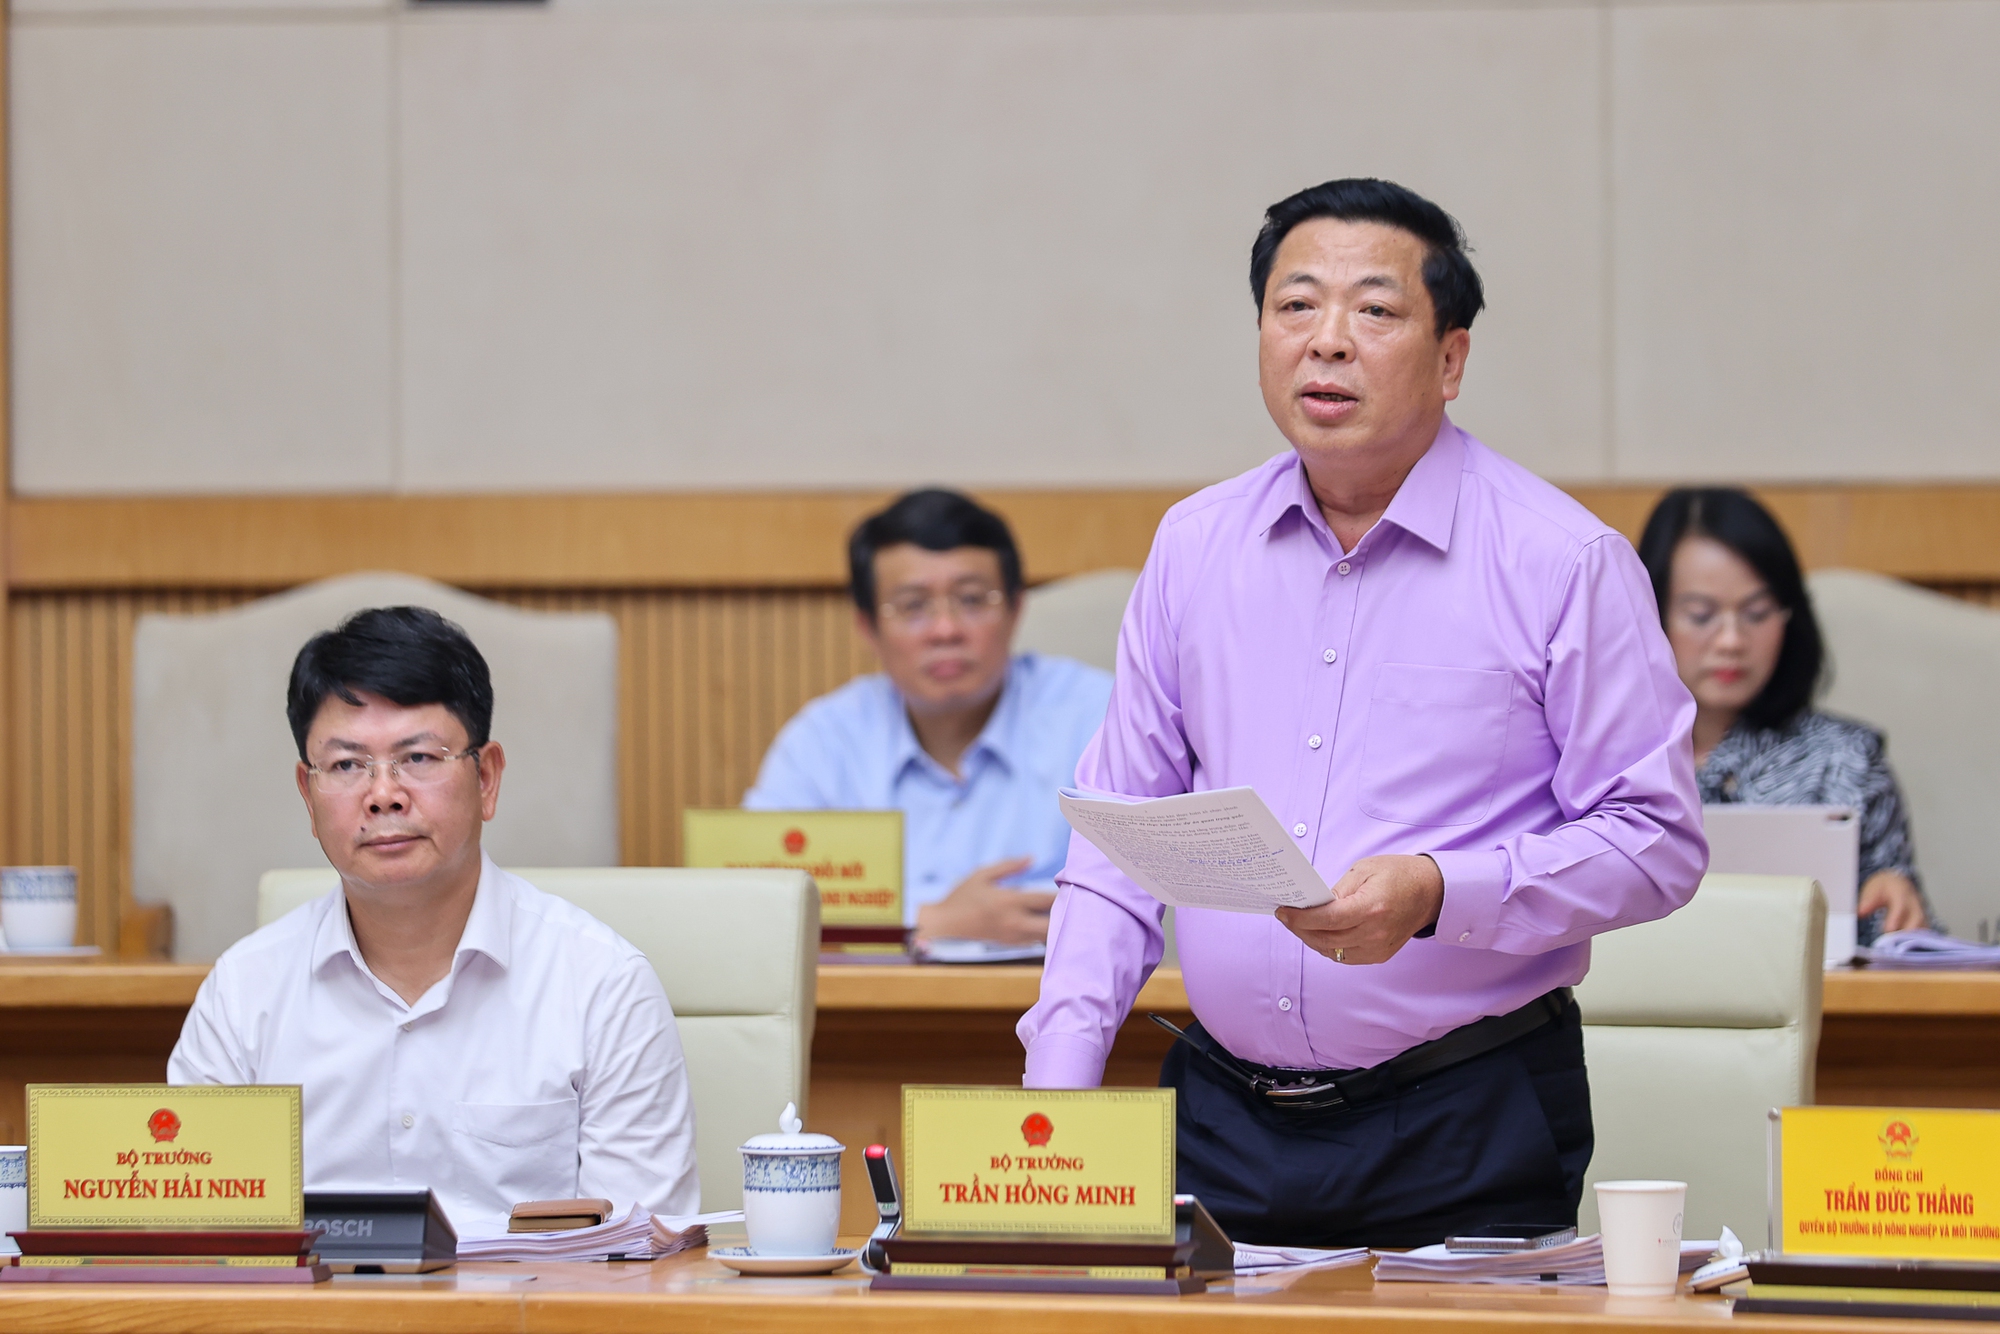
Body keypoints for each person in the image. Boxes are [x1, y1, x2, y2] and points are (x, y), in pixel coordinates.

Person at [1017, 178, 1707, 1247]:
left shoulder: (1561, 560)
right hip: (1219, 1114)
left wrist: (1439, 891)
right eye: (1295, 305)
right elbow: (1119, 833)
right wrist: (1057, 1092)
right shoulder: (1195, 548)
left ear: (1450, 359)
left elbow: (1656, 840)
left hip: (1463, 1113)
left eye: (1373, 309)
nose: (1326, 340)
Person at [169, 606, 698, 1234]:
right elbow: (199, 1241)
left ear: (487, 778)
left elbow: (638, 1256)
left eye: (418, 757)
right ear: (308, 796)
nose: (383, 794)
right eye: (347, 765)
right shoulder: (243, 994)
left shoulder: (603, 987)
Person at [745, 489, 1112, 945]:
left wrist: (885, 920)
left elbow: (1128, 892)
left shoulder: (1095, 717)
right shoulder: (823, 742)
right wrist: (930, 921)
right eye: (913, 606)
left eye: (972, 599)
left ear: (1015, 609)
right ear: (868, 627)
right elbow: (760, 905)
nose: (945, 630)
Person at [1638, 487, 1932, 942]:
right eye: (1701, 615)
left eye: (1757, 613)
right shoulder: (1600, 756)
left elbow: (1909, 948)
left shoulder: (1846, 760)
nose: (1732, 640)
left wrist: (1896, 904)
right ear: (1649, 615)